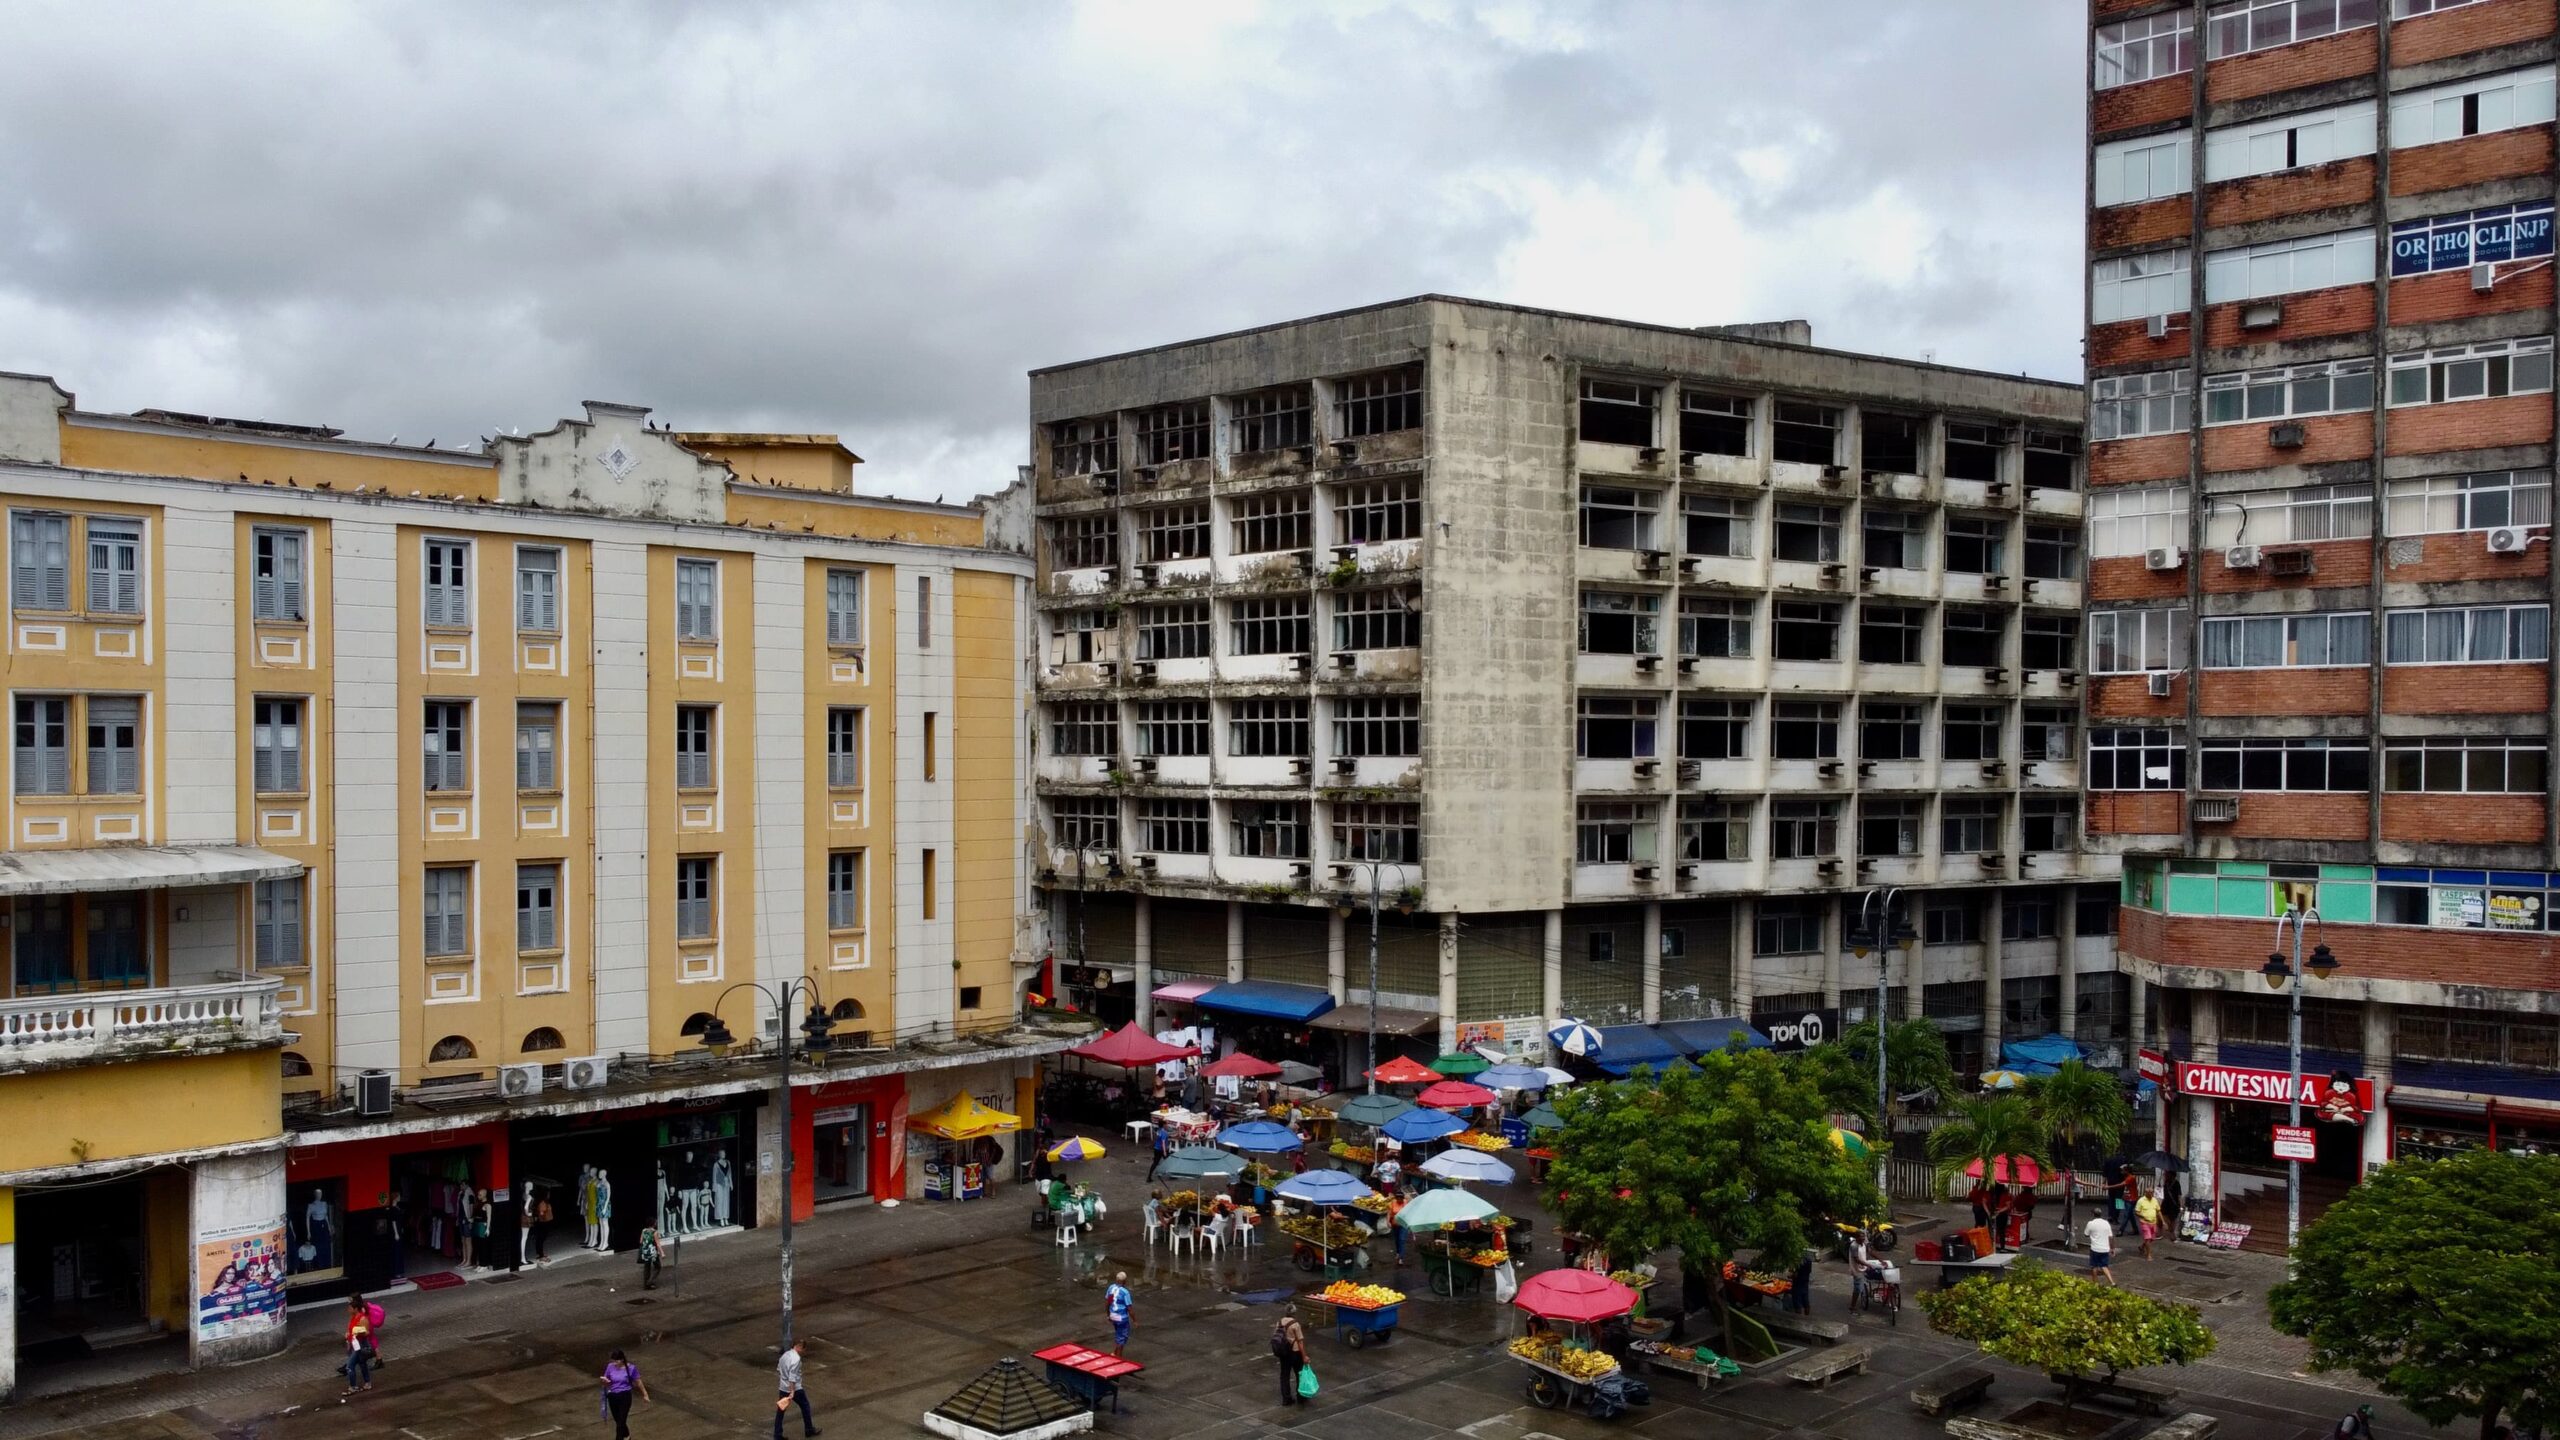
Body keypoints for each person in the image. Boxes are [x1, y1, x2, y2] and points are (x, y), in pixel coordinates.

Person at [774, 1338, 818, 1440]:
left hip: (782, 1387)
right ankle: (809, 1429)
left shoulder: (785, 1355)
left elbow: (778, 1368)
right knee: (805, 1406)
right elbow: (792, 1377)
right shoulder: (796, 1359)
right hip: (795, 1388)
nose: (803, 1351)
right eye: (803, 1349)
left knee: (780, 1411)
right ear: (799, 1347)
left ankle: (777, 1435)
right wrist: (792, 1391)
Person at [600, 1349, 650, 1440]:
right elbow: (606, 1382)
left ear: (622, 1359)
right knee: (618, 1420)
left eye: (616, 1361)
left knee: (621, 1422)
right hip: (613, 1396)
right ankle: (627, 1437)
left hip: (625, 1396)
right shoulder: (610, 1367)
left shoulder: (631, 1368)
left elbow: (638, 1382)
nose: (615, 1363)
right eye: (613, 1361)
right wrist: (606, 1382)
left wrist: (645, 1394)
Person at [1271, 1311, 1308, 1407]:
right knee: (1299, 1374)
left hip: (1284, 1353)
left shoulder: (1279, 1322)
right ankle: (1301, 1397)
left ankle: (1286, 1399)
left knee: (1284, 1375)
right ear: (1294, 1313)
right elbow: (1300, 1342)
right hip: (1295, 1352)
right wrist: (1304, 1356)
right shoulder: (1295, 1324)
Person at [340, 1296, 376, 1394]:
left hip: (360, 1345)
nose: (348, 1309)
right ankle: (367, 1382)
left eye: (350, 1308)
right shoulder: (352, 1318)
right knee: (362, 1363)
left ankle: (353, 1386)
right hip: (354, 1345)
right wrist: (348, 1335)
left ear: (355, 1309)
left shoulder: (362, 1319)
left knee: (349, 1366)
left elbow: (367, 1332)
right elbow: (349, 1329)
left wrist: (360, 1332)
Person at [1105, 1271, 1134, 1357]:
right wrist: (1134, 1320)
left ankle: (1114, 1352)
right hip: (1121, 1318)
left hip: (1113, 1315)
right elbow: (1129, 1308)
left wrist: (1108, 1314)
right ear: (1124, 1281)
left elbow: (1108, 1302)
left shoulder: (1111, 1288)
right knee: (1122, 1337)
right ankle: (1118, 1357)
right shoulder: (1125, 1292)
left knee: (1119, 1335)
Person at [2084, 1212, 2116, 1285]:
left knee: (2094, 1266)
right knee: (2104, 1266)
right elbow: (2111, 1237)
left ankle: (2095, 1283)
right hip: (2105, 1248)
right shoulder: (2106, 1223)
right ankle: (2112, 1282)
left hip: (2095, 1248)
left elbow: (2086, 1234)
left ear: (2093, 1215)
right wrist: (2112, 1248)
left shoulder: (2090, 1223)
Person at [2134, 1186, 2163, 1261]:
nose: (2151, 1194)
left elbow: (2158, 1211)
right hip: (2145, 1222)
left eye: (2152, 1193)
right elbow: (2136, 1212)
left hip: (2153, 1222)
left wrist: (2163, 1221)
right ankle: (2149, 1254)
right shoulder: (2141, 1200)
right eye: (2149, 1193)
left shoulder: (2154, 1200)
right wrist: (2143, 1216)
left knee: (2152, 1238)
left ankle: (2142, 1246)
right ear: (2145, 1193)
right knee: (2147, 1238)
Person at [637, 1224, 662, 1290]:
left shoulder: (644, 1230)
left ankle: (645, 1284)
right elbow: (658, 1244)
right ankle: (650, 1282)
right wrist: (662, 1253)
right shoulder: (655, 1232)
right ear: (653, 1224)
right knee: (657, 1267)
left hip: (645, 1252)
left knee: (647, 1268)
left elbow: (641, 1241)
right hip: (652, 1252)